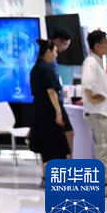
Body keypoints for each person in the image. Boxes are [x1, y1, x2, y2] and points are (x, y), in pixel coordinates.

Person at [81, 30, 107, 200]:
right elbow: (87, 83)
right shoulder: (91, 62)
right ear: (97, 45)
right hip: (100, 113)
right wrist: (91, 98)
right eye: (106, 42)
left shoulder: (97, 62)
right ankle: (103, 186)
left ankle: (106, 183)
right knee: (103, 150)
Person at [30, 39, 70, 177]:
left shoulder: (35, 68)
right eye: (54, 51)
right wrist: (58, 112)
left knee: (46, 146)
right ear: (48, 51)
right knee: (52, 145)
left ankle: (46, 176)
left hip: (38, 110)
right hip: (48, 112)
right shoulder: (46, 69)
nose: (56, 55)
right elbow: (51, 92)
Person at [48, 28, 74, 156]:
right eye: (65, 44)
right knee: (68, 133)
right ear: (57, 41)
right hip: (54, 102)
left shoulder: (53, 58)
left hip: (56, 101)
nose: (66, 48)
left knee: (63, 134)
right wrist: (58, 110)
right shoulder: (49, 58)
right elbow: (50, 88)